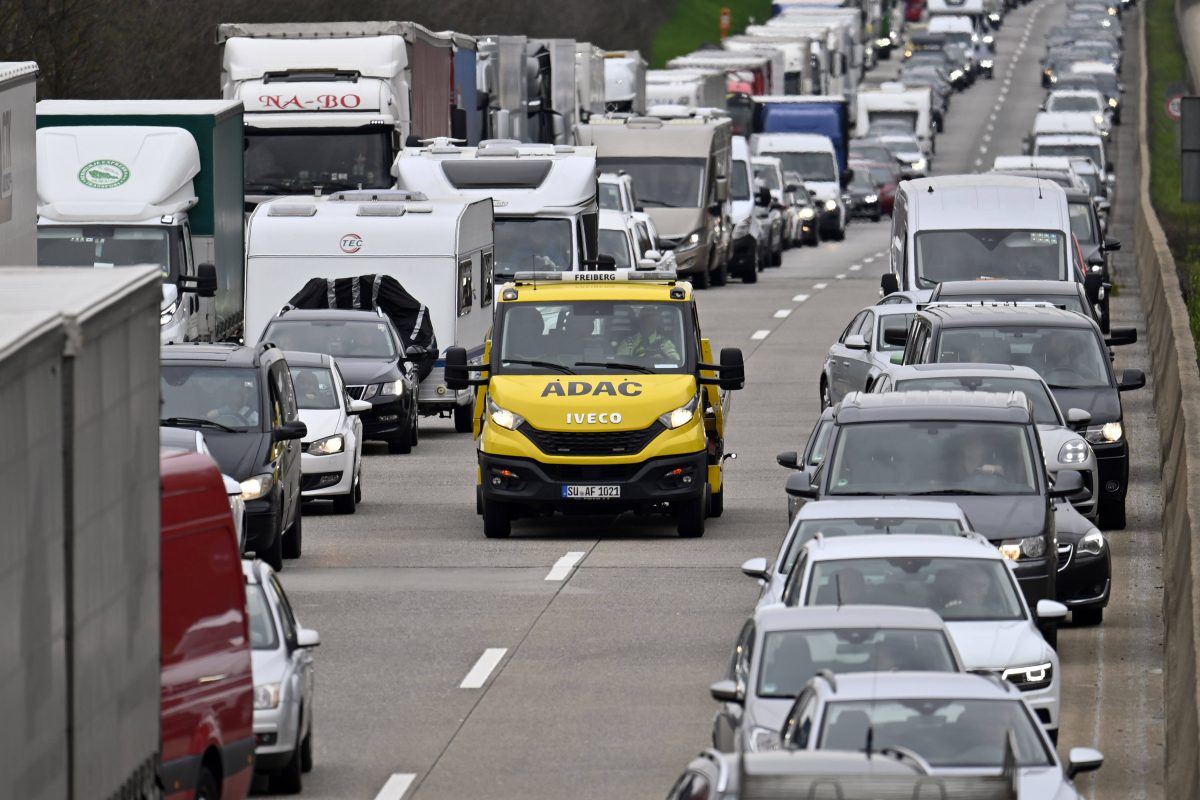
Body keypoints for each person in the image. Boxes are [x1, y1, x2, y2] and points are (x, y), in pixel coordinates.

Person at [616, 308, 680, 362]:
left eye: (651, 321)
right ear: (639, 322)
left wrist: (661, 360)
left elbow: (676, 362)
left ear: (657, 323)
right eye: (644, 320)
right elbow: (620, 363)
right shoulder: (628, 342)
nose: (647, 324)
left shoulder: (665, 343)